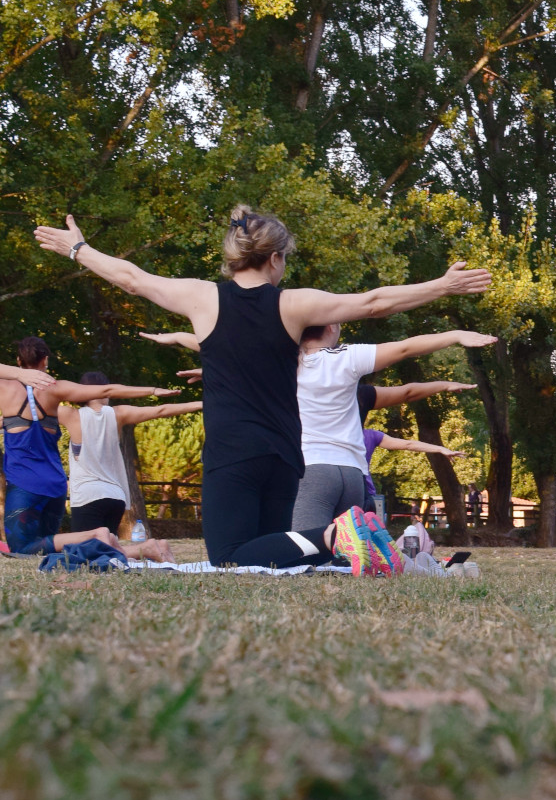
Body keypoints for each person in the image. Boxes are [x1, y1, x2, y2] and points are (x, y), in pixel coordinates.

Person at [35, 207, 490, 568]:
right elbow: (373, 303)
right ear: (274, 258)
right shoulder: (294, 304)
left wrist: (80, 249)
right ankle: (355, 543)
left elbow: (132, 279)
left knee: (230, 556)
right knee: (275, 555)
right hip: (285, 455)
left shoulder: (202, 297)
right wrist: (442, 286)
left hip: (235, 452)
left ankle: (338, 535)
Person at [290, 325, 495, 531]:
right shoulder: (347, 359)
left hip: (312, 468)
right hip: (352, 473)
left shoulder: (282, 363)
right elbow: (405, 357)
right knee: (347, 554)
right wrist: (455, 335)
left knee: (305, 548)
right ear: (331, 326)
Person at [0, 337, 177, 555]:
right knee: (49, 546)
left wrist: (17, 374)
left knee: (21, 548)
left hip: (24, 483)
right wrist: (152, 390)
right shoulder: (56, 388)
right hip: (55, 485)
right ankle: (144, 549)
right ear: (45, 360)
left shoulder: (5, 388)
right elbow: (105, 390)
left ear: (18, 360)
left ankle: (94, 535)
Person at [59, 371, 203, 538]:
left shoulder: (71, 415)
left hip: (87, 495)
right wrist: (201, 403)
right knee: (108, 551)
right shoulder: (119, 413)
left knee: (86, 553)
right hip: (115, 496)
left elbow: (38, 402)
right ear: (107, 391)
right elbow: (161, 410)